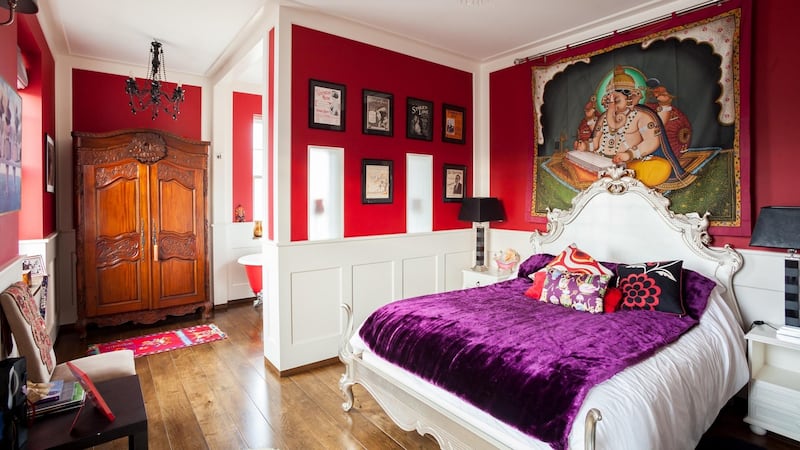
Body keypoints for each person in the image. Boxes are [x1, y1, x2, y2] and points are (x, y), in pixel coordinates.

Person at [574, 66, 692, 189]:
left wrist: (629, 154)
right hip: (602, 162)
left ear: (630, 97)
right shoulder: (604, 118)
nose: (612, 101)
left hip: (631, 163)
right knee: (573, 162)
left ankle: (619, 178)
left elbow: (652, 141)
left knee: (661, 168)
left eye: (618, 97)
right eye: (610, 97)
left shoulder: (641, 116)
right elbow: (596, 141)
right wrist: (586, 146)